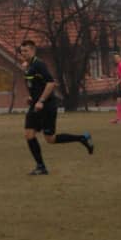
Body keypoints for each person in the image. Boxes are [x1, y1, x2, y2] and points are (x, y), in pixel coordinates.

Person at [18, 40, 94, 175]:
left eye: (26, 51)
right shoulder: (29, 66)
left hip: (46, 105)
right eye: (22, 51)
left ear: (33, 51)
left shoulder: (39, 64)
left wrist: (41, 100)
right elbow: (36, 84)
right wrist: (32, 97)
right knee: (29, 134)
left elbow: (51, 83)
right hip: (36, 105)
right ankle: (41, 167)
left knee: (50, 139)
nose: (23, 53)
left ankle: (82, 138)